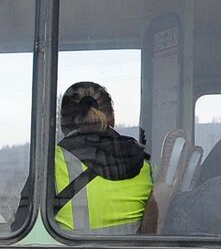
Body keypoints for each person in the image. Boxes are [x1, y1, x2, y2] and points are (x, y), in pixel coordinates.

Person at [52, 82, 154, 235]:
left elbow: (19, 227)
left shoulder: (51, 162)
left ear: (63, 123)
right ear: (112, 118)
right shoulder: (145, 163)